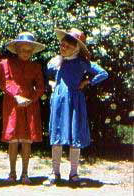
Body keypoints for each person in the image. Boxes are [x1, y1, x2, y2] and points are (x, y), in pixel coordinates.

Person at [43, 28, 108, 185]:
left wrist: (88, 82)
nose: (63, 48)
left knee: (74, 135)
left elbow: (103, 73)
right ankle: (55, 172)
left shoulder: (81, 63)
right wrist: (52, 84)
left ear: (76, 48)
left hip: (74, 102)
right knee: (57, 135)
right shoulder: (57, 61)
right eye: (62, 45)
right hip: (59, 101)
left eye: (67, 46)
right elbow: (46, 73)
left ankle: (73, 173)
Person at [0, 32, 45, 184]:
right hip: (12, 104)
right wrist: (16, 95)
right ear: (16, 49)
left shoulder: (36, 66)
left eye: (28, 50)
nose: (25, 53)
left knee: (26, 140)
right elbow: (4, 82)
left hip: (29, 105)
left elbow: (40, 87)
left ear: (32, 51)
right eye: (22, 50)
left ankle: (25, 173)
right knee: (13, 140)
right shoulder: (6, 63)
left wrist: (31, 99)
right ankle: (12, 173)